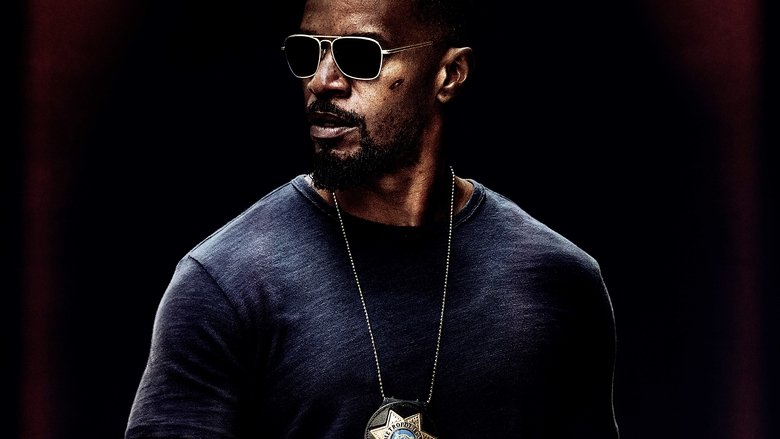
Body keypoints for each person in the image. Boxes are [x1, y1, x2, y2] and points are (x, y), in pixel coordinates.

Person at [125, 0, 620, 437]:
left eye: (360, 55)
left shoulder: (558, 282)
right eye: (307, 52)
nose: (322, 81)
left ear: (449, 75)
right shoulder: (224, 286)